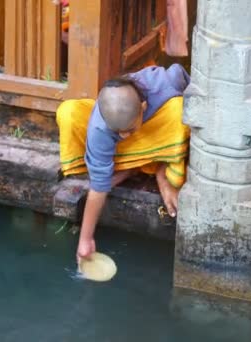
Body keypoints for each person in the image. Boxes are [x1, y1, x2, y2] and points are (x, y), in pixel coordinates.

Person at [56, 64, 191, 263]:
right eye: (118, 131)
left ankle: (161, 167)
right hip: (125, 146)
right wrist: (85, 240)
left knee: (180, 113)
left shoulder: (167, 84)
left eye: (128, 130)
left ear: (143, 108)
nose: (123, 136)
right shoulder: (100, 126)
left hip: (154, 130)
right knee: (69, 112)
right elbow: (99, 186)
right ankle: (134, 166)